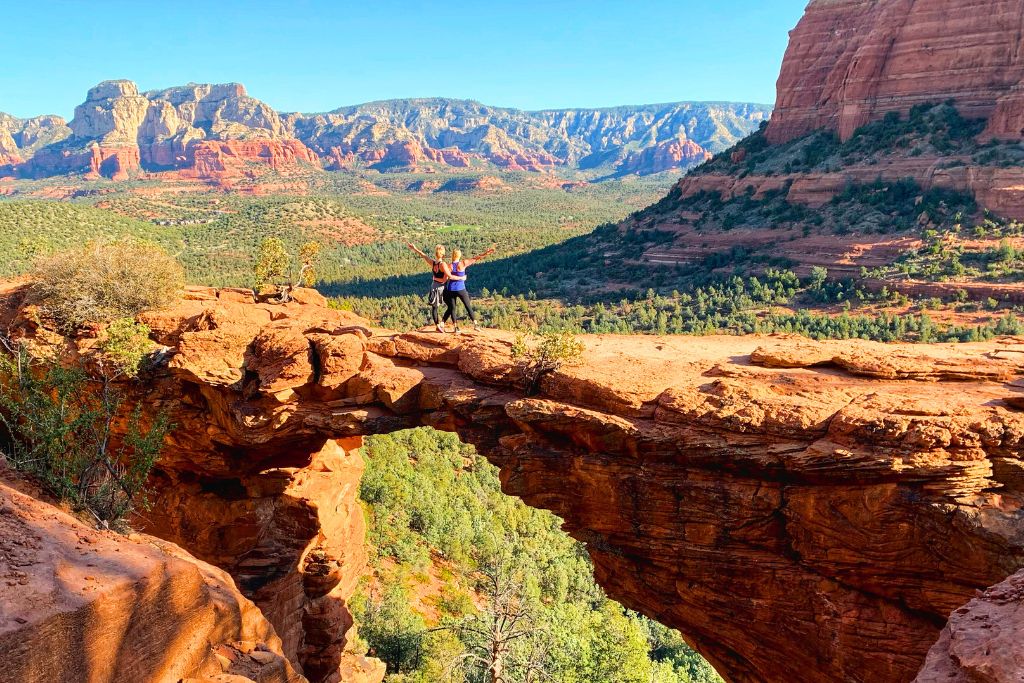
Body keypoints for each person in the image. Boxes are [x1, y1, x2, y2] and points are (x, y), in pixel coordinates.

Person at [405, 242, 463, 332]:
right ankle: (442, 324)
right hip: (441, 287)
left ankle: (439, 324)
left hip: (434, 286)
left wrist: (414, 248)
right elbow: (447, 278)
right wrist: (461, 277)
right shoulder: (443, 264)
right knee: (451, 306)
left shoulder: (433, 263)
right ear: (443, 254)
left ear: (436, 253)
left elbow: (423, 255)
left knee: (435, 307)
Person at [442, 244, 497, 333]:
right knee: (468, 306)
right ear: (459, 255)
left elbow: (445, 278)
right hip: (461, 289)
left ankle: (456, 327)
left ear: (453, 255)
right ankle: (475, 324)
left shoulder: (449, 266)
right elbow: (476, 258)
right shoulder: (463, 263)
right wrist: (486, 253)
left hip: (451, 289)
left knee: (452, 308)